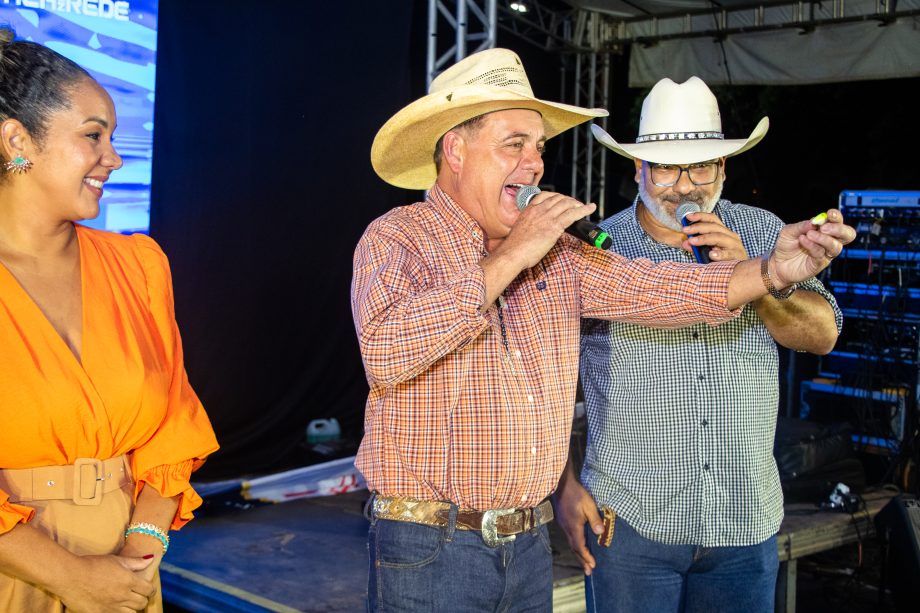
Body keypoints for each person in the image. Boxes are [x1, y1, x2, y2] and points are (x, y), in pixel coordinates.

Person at [351, 48, 854, 612]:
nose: (535, 163)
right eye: (514, 144)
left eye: (538, 147)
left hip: (530, 545)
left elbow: (655, 290)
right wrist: (515, 253)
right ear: (456, 150)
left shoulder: (562, 254)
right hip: (431, 545)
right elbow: (387, 351)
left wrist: (767, 272)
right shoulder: (398, 238)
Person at [554, 75, 842, 613]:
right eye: (666, 166)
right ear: (637, 168)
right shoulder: (598, 249)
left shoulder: (761, 233)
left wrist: (751, 278)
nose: (685, 185)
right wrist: (564, 487)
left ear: (724, 168)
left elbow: (822, 335)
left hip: (744, 519)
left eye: (702, 165)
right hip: (631, 520)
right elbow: (547, 384)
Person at [0, 29, 218, 612]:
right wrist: (71, 576)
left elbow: (172, 429)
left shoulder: (138, 265)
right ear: (17, 139)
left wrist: (138, 556)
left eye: (114, 138)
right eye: (93, 135)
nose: (114, 157)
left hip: (127, 583)